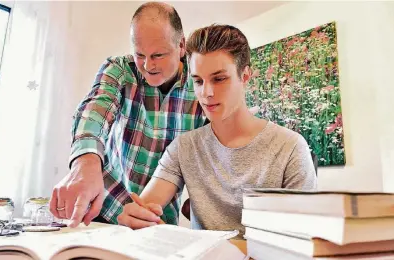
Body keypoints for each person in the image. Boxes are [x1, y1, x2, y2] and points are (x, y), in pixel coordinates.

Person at [117, 24, 317, 236]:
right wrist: (136, 216)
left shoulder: (290, 147)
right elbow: (145, 206)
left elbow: (303, 241)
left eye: (219, 79)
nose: (206, 92)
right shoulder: (184, 148)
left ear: (245, 76)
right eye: (198, 81)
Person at [49, 2, 207, 228]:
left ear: (181, 45)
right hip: (105, 210)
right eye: (139, 54)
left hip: (158, 219)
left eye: (158, 55)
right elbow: (95, 111)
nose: (147, 65)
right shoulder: (120, 69)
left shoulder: (201, 85)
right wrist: (85, 162)